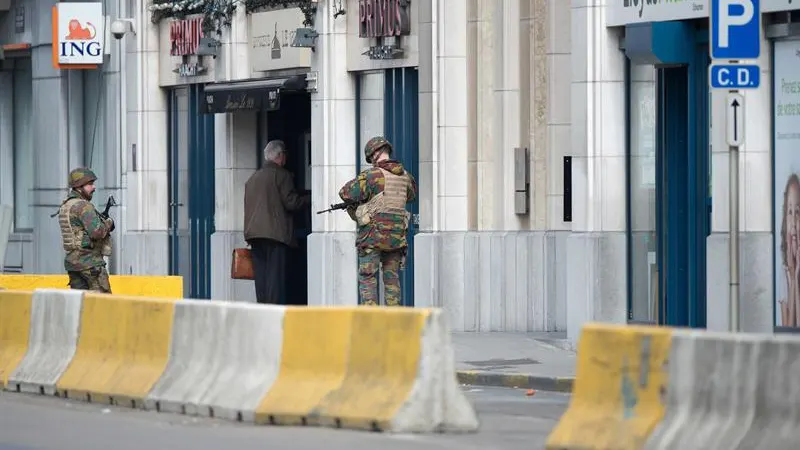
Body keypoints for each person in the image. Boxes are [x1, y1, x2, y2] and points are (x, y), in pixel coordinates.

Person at [338, 136, 418, 306]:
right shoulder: (406, 177)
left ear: (375, 154)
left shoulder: (371, 176)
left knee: (368, 279)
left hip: (372, 237)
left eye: (370, 158)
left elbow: (345, 193)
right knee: (392, 279)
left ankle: (371, 322)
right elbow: (411, 196)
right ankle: (394, 323)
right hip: (396, 238)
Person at [244, 140, 310, 304]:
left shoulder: (253, 178)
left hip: (254, 234)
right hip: (275, 234)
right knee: (274, 278)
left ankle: (262, 310)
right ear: (280, 156)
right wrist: (311, 198)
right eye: (285, 155)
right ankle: (271, 314)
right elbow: (291, 203)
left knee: (261, 278)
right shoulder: (282, 175)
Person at [58, 168, 114, 293]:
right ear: (79, 187)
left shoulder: (66, 205)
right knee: (102, 306)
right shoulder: (83, 206)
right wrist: (109, 223)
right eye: (89, 184)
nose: (93, 187)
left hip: (73, 266)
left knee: (80, 307)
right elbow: (97, 232)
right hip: (90, 265)